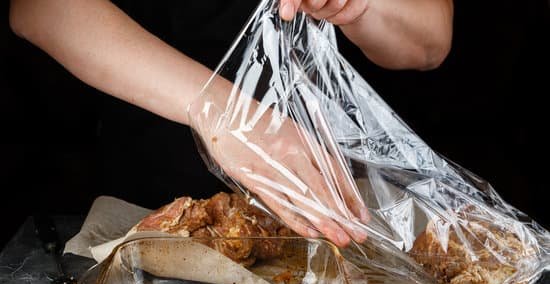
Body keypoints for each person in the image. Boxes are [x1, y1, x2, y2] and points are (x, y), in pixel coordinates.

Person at [9, 0, 454, 247]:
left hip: (338, 211)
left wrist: (357, 7)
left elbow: (429, 41)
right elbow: (40, 8)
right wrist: (225, 113)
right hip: (148, 211)